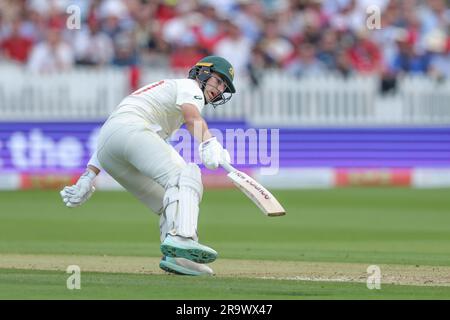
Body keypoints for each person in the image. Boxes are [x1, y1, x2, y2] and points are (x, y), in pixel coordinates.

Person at [60, 56, 236, 276]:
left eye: (223, 87)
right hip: (129, 130)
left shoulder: (163, 96)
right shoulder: (189, 87)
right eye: (218, 81)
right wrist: (209, 142)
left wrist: (88, 175)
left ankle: (177, 259)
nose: (219, 90)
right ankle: (182, 238)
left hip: (109, 147)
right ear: (202, 73)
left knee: (169, 197)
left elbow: (113, 136)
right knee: (186, 175)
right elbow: (193, 118)